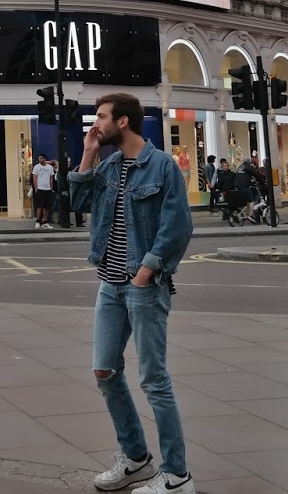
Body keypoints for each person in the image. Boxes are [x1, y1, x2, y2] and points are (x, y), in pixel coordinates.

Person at [70, 93, 194, 494]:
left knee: (154, 380)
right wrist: (88, 153)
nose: (95, 124)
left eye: (101, 117)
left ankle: (177, 476)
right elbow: (77, 203)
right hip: (109, 285)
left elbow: (178, 226)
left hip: (143, 286)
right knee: (105, 371)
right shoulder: (108, 165)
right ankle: (137, 459)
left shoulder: (162, 166)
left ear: (123, 122)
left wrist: (147, 270)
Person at [31, 154, 57, 228]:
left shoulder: (49, 168)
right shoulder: (36, 167)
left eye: (41, 158)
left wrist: (51, 188)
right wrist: (36, 188)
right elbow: (34, 178)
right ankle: (38, 221)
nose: (40, 160)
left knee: (47, 206)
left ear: (45, 159)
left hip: (48, 189)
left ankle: (45, 221)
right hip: (40, 188)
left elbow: (51, 178)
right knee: (40, 206)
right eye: (39, 158)